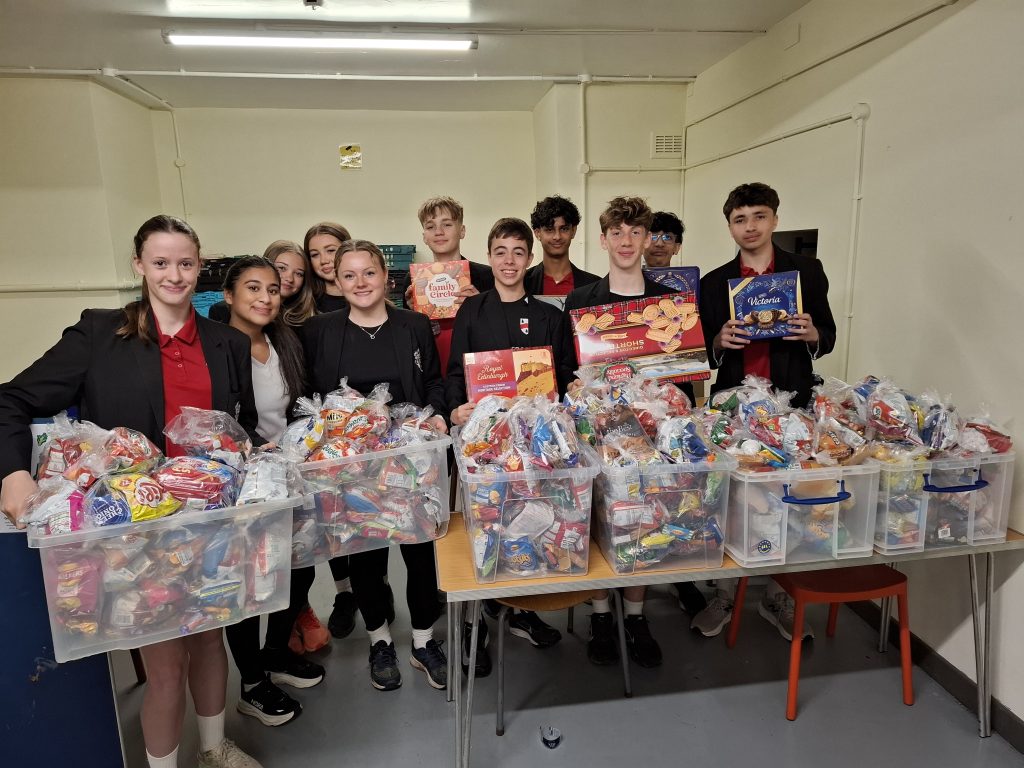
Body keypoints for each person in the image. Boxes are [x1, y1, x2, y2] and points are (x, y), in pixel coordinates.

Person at [0, 216, 263, 768]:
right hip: (136, 528)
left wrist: (261, 463)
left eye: (185, 263)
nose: (174, 275)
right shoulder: (101, 333)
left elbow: (240, 426)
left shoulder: (227, 342)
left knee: (211, 639)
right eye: (161, 263)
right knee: (164, 662)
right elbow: (10, 400)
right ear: (139, 265)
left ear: (200, 266)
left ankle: (214, 748)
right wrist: (13, 473)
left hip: (211, 518)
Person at [690, 182, 837, 642]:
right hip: (735, 408)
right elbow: (700, 350)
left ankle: (777, 596)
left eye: (758, 216)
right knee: (733, 498)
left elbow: (828, 334)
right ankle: (725, 593)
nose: (749, 227)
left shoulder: (806, 272)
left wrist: (812, 333)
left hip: (792, 405)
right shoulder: (714, 282)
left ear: (774, 219)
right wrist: (718, 342)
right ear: (729, 226)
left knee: (788, 499)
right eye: (740, 219)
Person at [301, 239, 450, 692]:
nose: (360, 283)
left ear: (386, 276)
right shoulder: (320, 330)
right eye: (349, 275)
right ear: (336, 280)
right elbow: (309, 395)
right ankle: (380, 641)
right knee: (364, 554)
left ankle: (423, 641)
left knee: (419, 552)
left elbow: (434, 382)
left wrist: (437, 414)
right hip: (352, 465)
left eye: (369, 273)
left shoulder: (413, 324)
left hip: (410, 460)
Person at [561, 196, 680, 669]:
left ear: (647, 238)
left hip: (649, 436)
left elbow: (683, 376)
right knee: (595, 518)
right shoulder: (581, 301)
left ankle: (635, 616)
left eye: (635, 232)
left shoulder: (668, 301)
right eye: (617, 232)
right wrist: (575, 385)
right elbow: (566, 369)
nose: (626, 241)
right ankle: (600, 616)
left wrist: (670, 397)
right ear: (604, 239)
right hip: (596, 432)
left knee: (642, 519)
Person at [446, 217, 568, 674]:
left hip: (535, 448)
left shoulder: (549, 316)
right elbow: (456, 373)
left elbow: (562, 378)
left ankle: (520, 610)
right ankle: (475, 624)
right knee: (484, 528)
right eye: (501, 252)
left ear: (530, 259)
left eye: (518, 252)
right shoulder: (472, 311)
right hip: (484, 445)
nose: (509, 261)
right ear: (489, 257)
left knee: (528, 522)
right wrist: (456, 409)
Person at [220, 256, 326, 727]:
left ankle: (276, 654)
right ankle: (250, 683)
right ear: (229, 295)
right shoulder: (218, 347)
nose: (265, 298)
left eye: (272, 289)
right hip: (245, 481)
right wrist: (250, 447)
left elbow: (298, 405)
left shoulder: (284, 341)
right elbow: (218, 416)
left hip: (292, 473)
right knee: (250, 580)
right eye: (252, 288)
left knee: (300, 568)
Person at [402, 196, 495, 377]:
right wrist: (412, 316)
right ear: (424, 237)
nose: (439, 232)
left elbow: (498, 331)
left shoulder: (486, 276)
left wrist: (480, 306)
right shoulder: (412, 280)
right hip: (430, 371)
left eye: (447, 224)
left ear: (462, 231)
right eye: (430, 226)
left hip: (475, 370)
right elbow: (408, 338)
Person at [207, 240, 316, 327]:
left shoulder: (306, 319)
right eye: (282, 268)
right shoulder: (221, 311)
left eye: (299, 274)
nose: (289, 278)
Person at [525, 195, 599, 296]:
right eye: (549, 229)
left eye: (564, 229)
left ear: (573, 231)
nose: (557, 237)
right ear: (537, 233)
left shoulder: (594, 285)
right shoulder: (523, 283)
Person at [304, 222, 352, 314]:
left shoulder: (366, 295)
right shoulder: (305, 301)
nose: (323, 260)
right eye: (315, 254)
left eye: (330, 250)